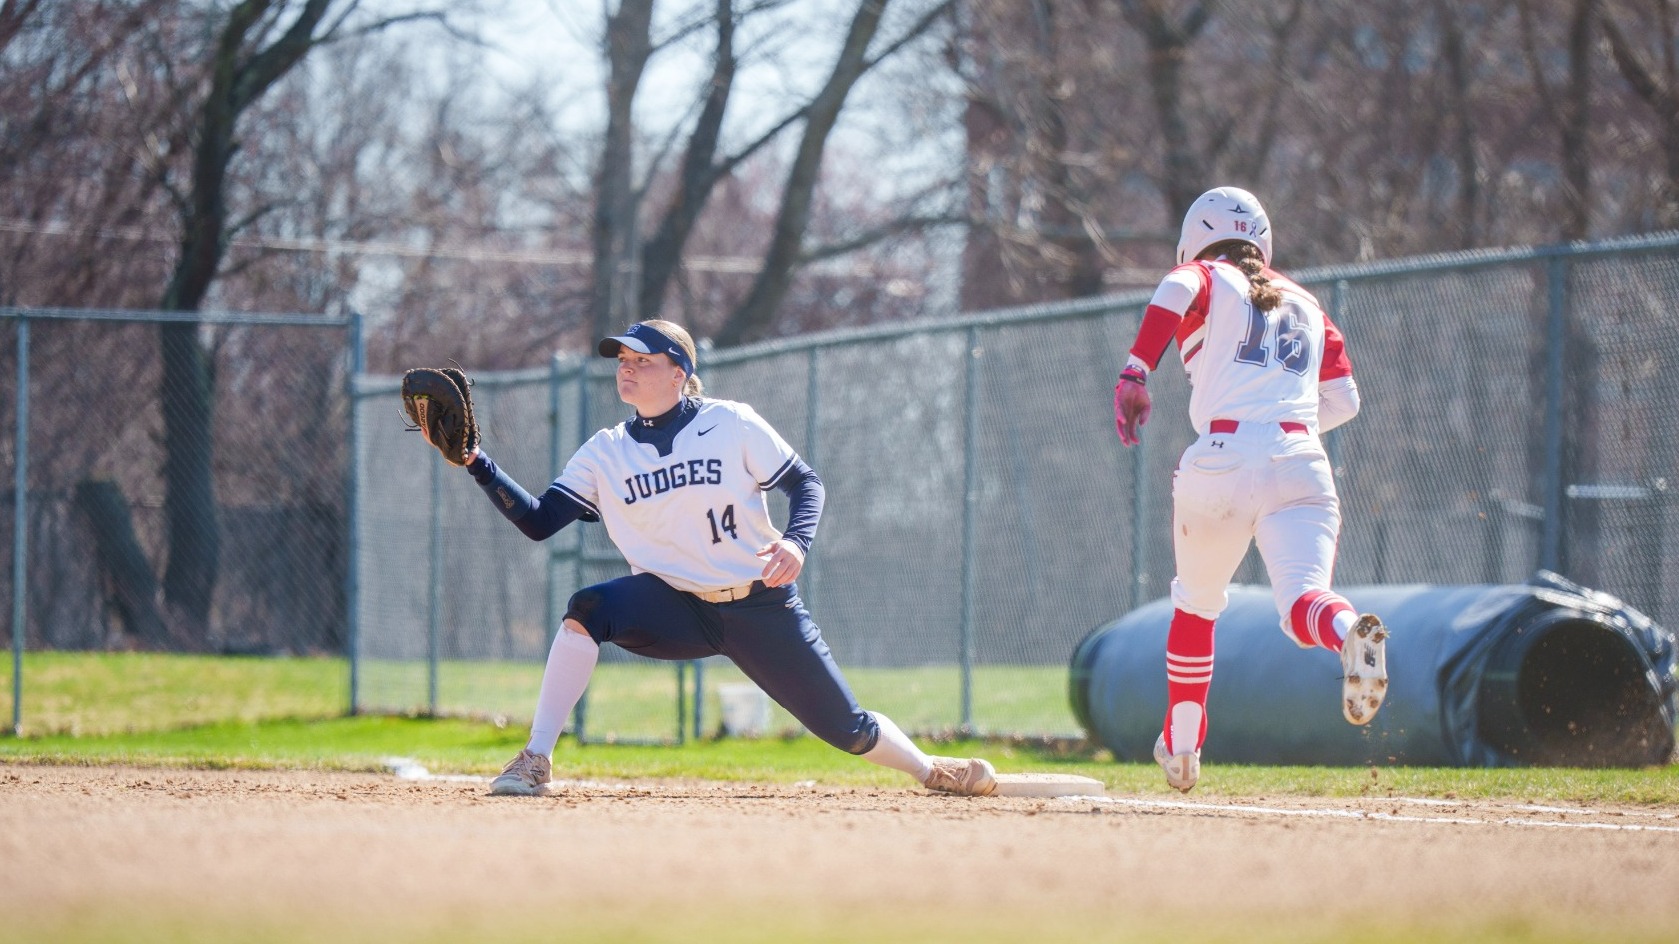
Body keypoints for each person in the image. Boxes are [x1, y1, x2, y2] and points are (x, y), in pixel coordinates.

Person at [433, 318, 997, 798]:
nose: (625, 367)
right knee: (588, 607)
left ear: (679, 373)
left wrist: (796, 543)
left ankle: (930, 770)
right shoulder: (605, 451)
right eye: (621, 359)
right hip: (674, 604)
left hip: (760, 608)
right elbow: (538, 521)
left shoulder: (730, 423)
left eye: (642, 360)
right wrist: (476, 462)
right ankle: (535, 759)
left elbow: (806, 484)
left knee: (847, 730)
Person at [1112, 187, 1389, 794]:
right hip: (1301, 457)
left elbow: (1176, 288)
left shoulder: (1205, 274)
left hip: (1223, 456)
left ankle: (1183, 750)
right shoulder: (1310, 303)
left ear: (1197, 237)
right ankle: (1349, 634)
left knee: (1197, 605)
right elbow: (1345, 401)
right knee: (1303, 604)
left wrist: (1136, 368)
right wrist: (1280, 420)